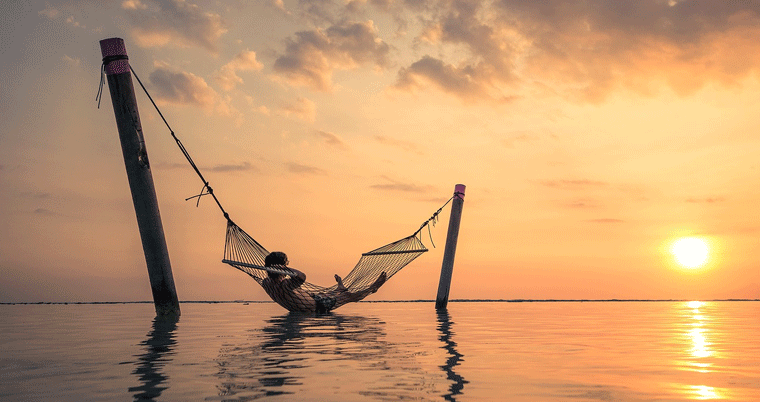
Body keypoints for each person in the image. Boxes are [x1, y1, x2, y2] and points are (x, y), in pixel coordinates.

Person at [260, 251, 387, 313]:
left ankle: (340, 288)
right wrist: (286, 270)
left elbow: (297, 279)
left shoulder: (266, 283)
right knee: (349, 296)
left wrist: (280, 270)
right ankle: (373, 287)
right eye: (287, 264)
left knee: (330, 293)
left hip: (312, 299)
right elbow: (302, 277)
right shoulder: (286, 285)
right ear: (282, 266)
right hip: (319, 306)